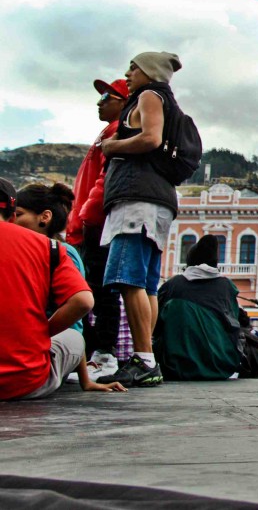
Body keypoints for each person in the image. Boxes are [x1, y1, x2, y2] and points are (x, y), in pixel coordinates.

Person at [98, 51, 186, 388]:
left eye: (133, 66)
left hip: (137, 201)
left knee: (128, 278)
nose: (128, 72)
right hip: (157, 200)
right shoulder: (166, 100)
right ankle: (145, 356)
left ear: (149, 71)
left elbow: (151, 137)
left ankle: (144, 359)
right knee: (146, 283)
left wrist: (112, 146)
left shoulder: (149, 95)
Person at [0, 178, 126, 400]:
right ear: (11, 215)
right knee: (73, 338)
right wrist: (42, 332)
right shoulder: (51, 249)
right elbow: (83, 302)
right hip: (24, 381)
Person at [66, 77, 132, 382]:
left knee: (101, 292)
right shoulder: (105, 132)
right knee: (92, 290)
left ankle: (103, 354)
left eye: (107, 96)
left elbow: (105, 179)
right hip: (86, 224)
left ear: (122, 101)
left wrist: (86, 217)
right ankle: (95, 355)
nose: (99, 101)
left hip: (93, 225)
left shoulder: (115, 131)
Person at [153, 234, 243, 380]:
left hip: (177, 367)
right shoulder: (227, 286)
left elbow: (155, 325)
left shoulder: (172, 285)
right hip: (221, 366)